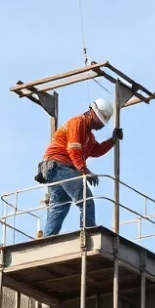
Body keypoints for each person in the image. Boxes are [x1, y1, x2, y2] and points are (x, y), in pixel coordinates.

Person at [39, 97, 123, 237]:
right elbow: (73, 150)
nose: (100, 126)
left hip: (55, 168)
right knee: (85, 198)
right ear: (91, 113)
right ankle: (88, 233)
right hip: (58, 165)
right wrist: (85, 171)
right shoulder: (77, 123)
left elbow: (95, 150)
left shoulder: (88, 135)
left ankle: (47, 239)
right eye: (99, 121)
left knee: (59, 207)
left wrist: (112, 140)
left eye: (102, 124)